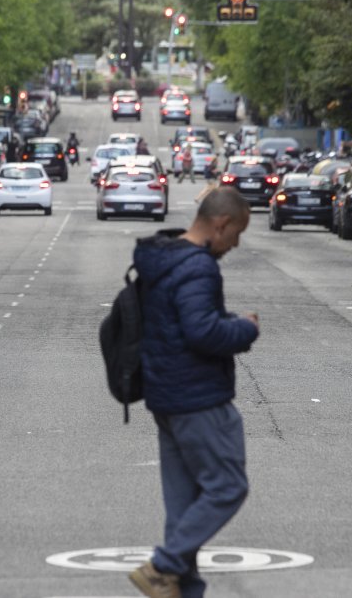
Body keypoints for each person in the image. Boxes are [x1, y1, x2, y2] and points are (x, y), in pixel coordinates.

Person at [127, 187, 259, 598]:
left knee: (183, 507)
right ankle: (162, 566)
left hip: (165, 395)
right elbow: (202, 331)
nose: (235, 245)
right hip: (198, 397)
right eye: (236, 234)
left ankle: (184, 590)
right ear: (220, 224)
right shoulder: (198, 266)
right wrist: (246, 327)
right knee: (228, 486)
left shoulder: (161, 256)